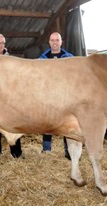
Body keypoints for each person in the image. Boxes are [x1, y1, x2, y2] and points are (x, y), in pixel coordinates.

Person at [39, 32, 74, 160]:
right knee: (47, 122)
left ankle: (68, 150)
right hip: (48, 96)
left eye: (57, 40)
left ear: (61, 42)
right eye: (52, 40)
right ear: (49, 42)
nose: (54, 42)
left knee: (66, 123)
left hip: (65, 96)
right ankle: (46, 149)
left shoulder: (69, 58)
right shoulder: (41, 59)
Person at [0, 33, 22, 162]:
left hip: (9, 97)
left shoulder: (11, 59)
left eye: (2, 43)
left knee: (14, 124)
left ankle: (16, 152)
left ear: (5, 45)